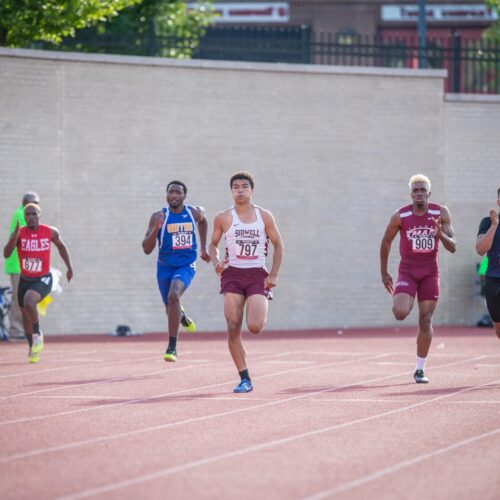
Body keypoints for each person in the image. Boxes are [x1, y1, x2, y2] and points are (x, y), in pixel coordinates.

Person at [208, 171, 284, 393]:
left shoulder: (264, 216)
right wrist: (216, 261)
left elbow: (279, 245)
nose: (240, 190)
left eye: (244, 186)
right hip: (232, 275)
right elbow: (212, 245)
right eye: (235, 187)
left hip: (257, 275)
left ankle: (262, 300)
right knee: (233, 326)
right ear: (231, 191)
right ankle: (245, 378)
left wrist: (274, 274)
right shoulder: (223, 217)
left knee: (254, 326)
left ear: (252, 190)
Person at [380, 174, 456, 383]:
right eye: (416, 190)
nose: (419, 194)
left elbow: (453, 247)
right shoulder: (400, 216)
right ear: (411, 194)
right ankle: (406, 299)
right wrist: (384, 272)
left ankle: (420, 369)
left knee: (426, 319)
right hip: (408, 270)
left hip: (430, 272)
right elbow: (386, 241)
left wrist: (440, 234)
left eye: (423, 190)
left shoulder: (440, 213)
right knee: (401, 313)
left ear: (429, 193)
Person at [142, 181, 210, 362]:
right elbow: (146, 249)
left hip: (186, 265)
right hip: (164, 267)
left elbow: (203, 221)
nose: (173, 195)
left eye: (177, 192)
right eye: (170, 192)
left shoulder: (194, 213)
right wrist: (156, 228)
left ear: (184, 196)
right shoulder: (158, 216)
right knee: (170, 307)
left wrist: (204, 248)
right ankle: (183, 316)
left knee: (174, 296)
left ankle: (172, 347)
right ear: (166, 195)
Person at [3, 203, 73, 363]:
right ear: (24, 217)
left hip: (43, 278)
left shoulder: (49, 232)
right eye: (27, 215)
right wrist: (14, 237)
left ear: (39, 215)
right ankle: (32, 348)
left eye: (34, 214)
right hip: (25, 279)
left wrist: (69, 267)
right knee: (25, 316)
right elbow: (6, 254)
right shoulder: (19, 233)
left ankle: (37, 333)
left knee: (29, 301)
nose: (30, 217)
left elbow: (61, 247)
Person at [4, 192, 40, 340]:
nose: (37, 206)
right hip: (19, 264)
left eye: (38, 203)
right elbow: (31, 237)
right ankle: (17, 331)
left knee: (24, 298)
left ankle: (21, 330)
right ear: (26, 202)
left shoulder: (22, 213)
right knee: (19, 299)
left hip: (23, 264)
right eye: (35, 202)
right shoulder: (22, 215)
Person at [476, 187, 500, 339]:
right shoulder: (487, 222)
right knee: (498, 328)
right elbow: (480, 249)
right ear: (498, 202)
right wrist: (494, 226)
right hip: (493, 280)